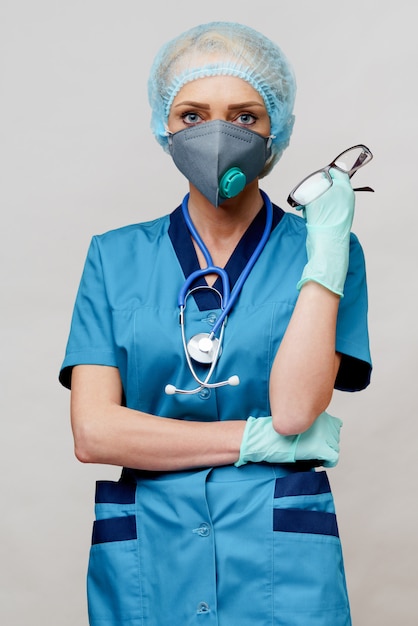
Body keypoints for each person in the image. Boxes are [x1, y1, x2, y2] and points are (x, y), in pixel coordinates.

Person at [59, 21, 372, 626]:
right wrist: (254, 443)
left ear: (275, 128)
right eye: (193, 116)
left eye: (245, 116)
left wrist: (327, 247)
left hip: (279, 560)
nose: (219, 134)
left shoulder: (326, 252)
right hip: (152, 550)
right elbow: (95, 434)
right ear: (164, 128)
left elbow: (293, 412)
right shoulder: (114, 257)